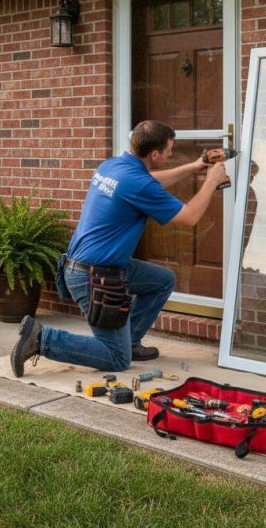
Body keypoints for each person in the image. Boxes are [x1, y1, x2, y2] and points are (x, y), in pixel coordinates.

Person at [11, 119, 228, 377]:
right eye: (169, 150)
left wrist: (195, 167)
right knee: (116, 358)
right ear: (154, 154)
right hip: (93, 276)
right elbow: (189, 217)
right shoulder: (137, 183)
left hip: (100, 265)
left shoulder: (114, 166)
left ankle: (131, 340)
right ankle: (41, 339)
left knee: (162, 281)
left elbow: (151, 181)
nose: (171, 154)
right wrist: (211, 181)